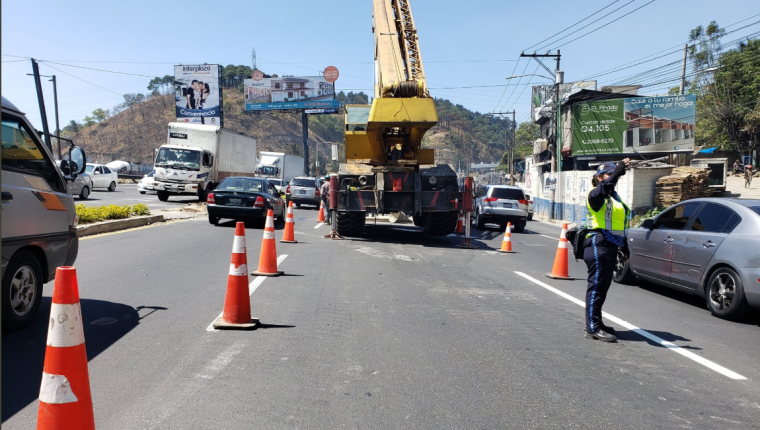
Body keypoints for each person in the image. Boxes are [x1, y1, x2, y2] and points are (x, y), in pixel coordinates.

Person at [583, 158, 631, 343]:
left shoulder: (614, 198)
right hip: (597, 243)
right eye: (608, 174)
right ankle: (592, 327)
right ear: (599, 177)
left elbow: (619, 224)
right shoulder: (595, 194)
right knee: (596, 286)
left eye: (613, 174)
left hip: (611, 244)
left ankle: (598, 323)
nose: (612, 177)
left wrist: (624, 246)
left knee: (603, 287)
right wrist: (617, 171)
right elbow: (605, 187)